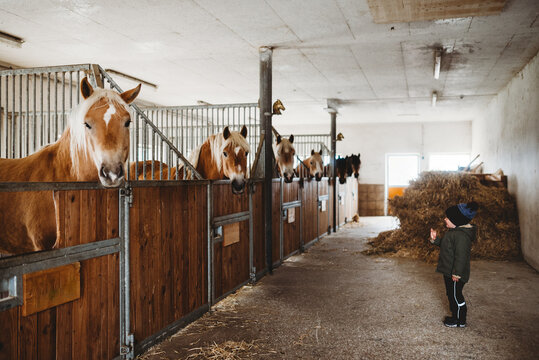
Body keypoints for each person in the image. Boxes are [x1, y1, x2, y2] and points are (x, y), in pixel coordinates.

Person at [429, 201, 479, 328]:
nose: (445, 219)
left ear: (456, 220)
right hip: (449, 271)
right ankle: (455, 316)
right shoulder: (453, 232)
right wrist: (435, 240)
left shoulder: (461, 237)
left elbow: (461, 257)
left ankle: (460, 320)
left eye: (448, 217)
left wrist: (457, 273)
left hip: (456, 273)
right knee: (451, 294)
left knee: (456, 296)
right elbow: (446, 246)